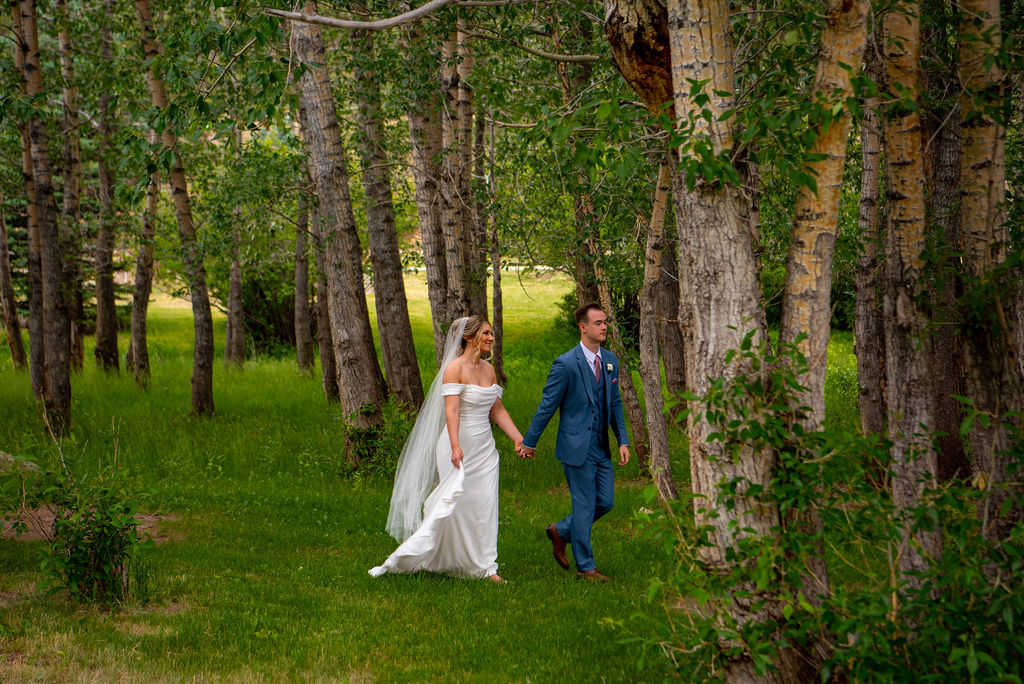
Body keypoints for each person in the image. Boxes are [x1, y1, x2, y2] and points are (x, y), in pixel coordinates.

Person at [370, 316, 523, 582]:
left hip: (484, 449)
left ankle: (487, 567)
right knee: (455, 504)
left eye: (491, 334)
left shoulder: (488, 370)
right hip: (458, 444)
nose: (490, 338)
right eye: (485, 333)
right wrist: (454, 446)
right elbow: (451, 410)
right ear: (469, 337)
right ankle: (440, 555)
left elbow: (496, 409)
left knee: (484, 505)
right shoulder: (455, 368)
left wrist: (518, 439)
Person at [516, 303, 630, 581]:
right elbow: (547, 406)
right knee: (584, 504)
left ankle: (561, 531)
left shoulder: (610, 360)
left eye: (605, 322)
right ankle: (586, 567)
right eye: (598, 323)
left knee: (606, 501)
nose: (604, 327)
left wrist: (622, 441)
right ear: (583, 327)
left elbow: (614, 403)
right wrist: (529, 442)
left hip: (601, 446)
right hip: (576, 446)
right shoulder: (565, 364)